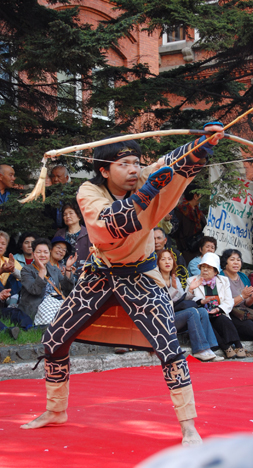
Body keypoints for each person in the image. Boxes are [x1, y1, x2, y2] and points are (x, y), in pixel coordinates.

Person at [20, 122, 225, 446]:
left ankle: (188, 427)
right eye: (124, 164)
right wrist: (145, 194)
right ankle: (55, 410)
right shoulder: (89, 192)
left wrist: (203, 143)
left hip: (141, 276)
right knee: (55, 339)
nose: (133, 169)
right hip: (99, 275)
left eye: (136, 163)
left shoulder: (144, 178)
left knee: (169, 348)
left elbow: (173, 162)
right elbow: (112, 225)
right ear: (104, 170)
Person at [157, 249, 223, 362]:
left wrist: (191, 290)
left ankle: (210, 349)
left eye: (169, 259)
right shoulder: (155, 280)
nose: (167, 262)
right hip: (163, 319)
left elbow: (183, 301)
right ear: (158, 263)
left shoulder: (176, 279)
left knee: (202, 311)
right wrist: (173, 289)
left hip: (175, 315)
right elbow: (163, 303)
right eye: (163, 259)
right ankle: (200, 350)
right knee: (191, 312)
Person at [186, 252, 246, 359]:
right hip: (203, 314)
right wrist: (199, 300)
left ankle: (238, 345)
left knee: (223, 320)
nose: (205, 270)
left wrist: (218, 309)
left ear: (215, 271)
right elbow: (186, 300)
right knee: (210, 325)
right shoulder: (192, 280)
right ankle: (226, 347)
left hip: (218, 312)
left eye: (209, 267)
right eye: (203, 267)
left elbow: (229, 301)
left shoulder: (223, 280)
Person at [18, 238, 76, 323]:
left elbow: (68, 290)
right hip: (38, 306)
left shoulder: (54, 269)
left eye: (45, 252)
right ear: (33, 254)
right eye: (39, 252)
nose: (42, 255)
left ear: (49, 254)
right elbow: (35, 291)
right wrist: (41, 271)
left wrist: (68, 269)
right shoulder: (26, 270)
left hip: (56, 303)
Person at [56, 202, 92, 277]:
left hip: (84, 275)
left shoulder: (88, 234)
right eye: (65, 215)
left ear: (79, 216)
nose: (67, 216)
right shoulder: (59, 233)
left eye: (70, 213)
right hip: (62, 275)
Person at [173, 183, 207, 264]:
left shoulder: (198, 211)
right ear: (195, 196)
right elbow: (175, 231)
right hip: (185, 250)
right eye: (200, 195)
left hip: (197, 248)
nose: (201, 197)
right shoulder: (180, 211)